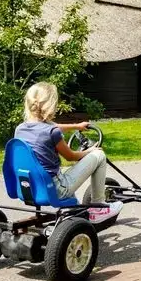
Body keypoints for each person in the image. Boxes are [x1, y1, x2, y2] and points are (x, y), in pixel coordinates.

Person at [14, 82, 123, 215]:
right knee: (99, 156)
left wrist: (77, 126)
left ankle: (74, 210)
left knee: (62, 174)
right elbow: (71, 156)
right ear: (51, 104)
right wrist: (90, 151)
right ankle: (99, 207)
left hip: (30, 187)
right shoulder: (52, 132)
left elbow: (50, 127)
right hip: (56, 190)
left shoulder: (20, 129)